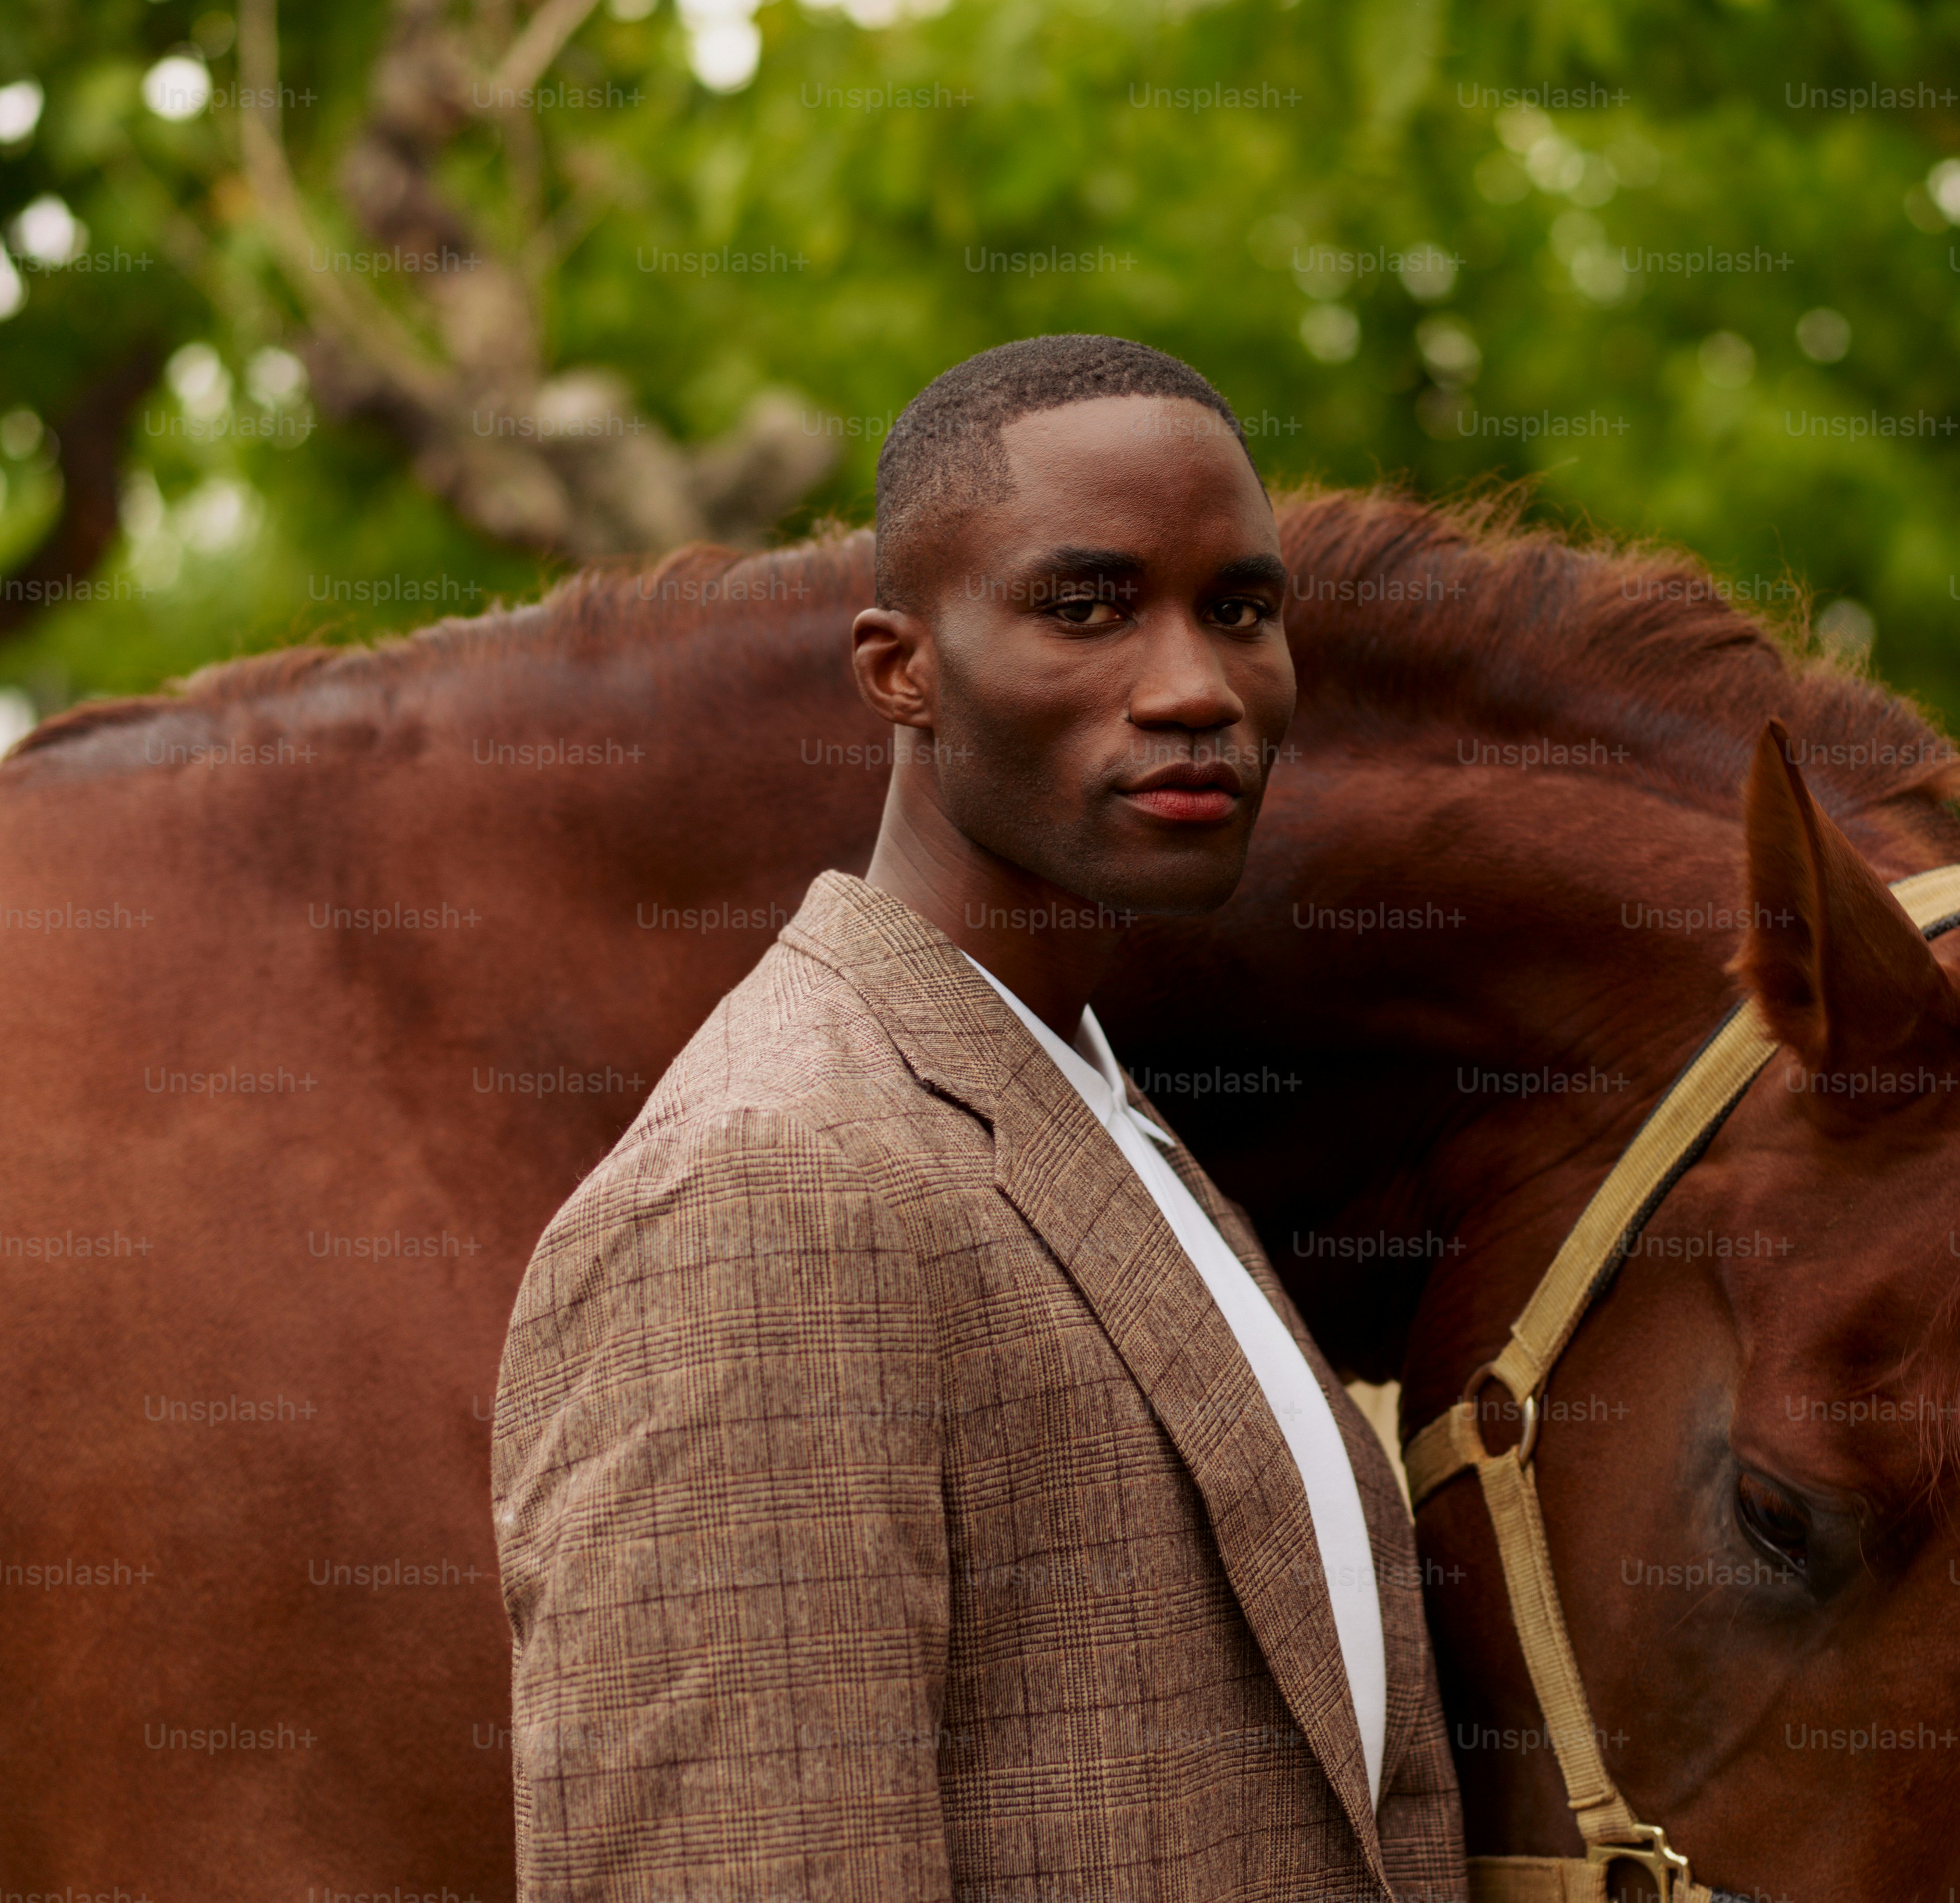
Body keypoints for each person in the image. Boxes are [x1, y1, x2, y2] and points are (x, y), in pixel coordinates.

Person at [492, 334, 1464, 1902]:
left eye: (1240, 610)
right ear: (902, 670)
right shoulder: (769, 1188)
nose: (1196, 689)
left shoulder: (1100, 1113)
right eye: (1086, 608)